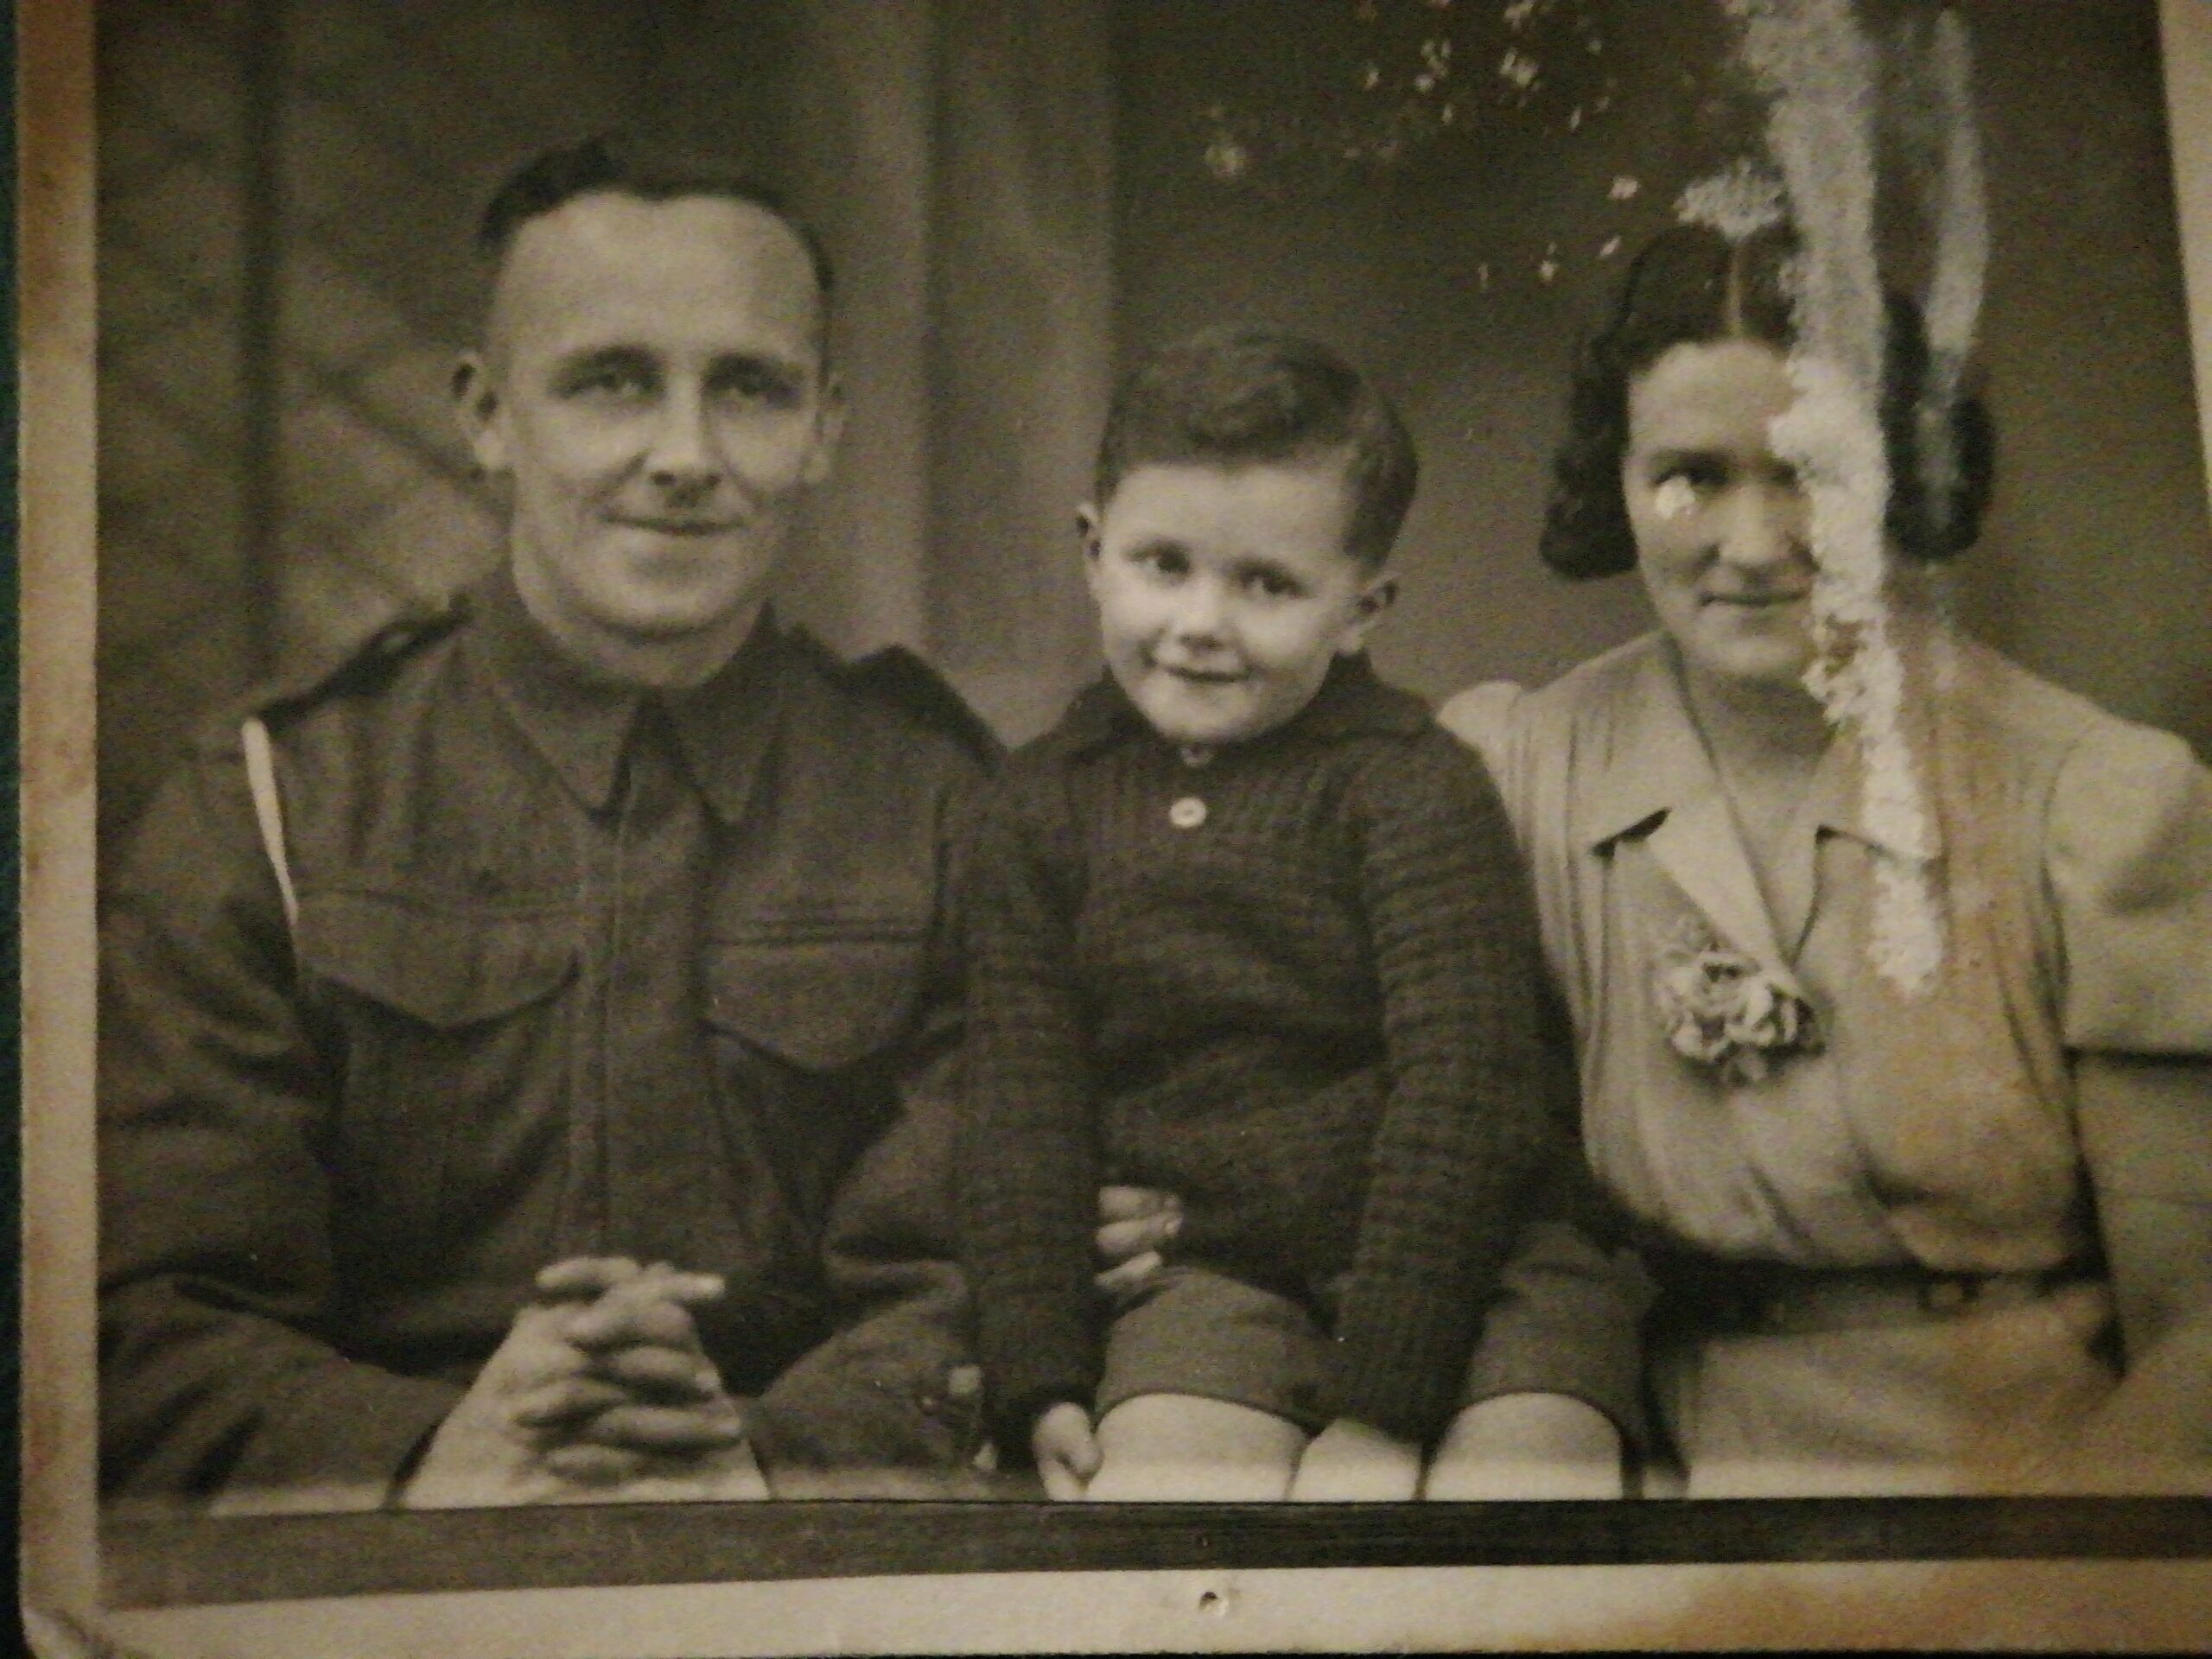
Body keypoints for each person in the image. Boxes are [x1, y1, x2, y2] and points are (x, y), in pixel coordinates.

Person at [97, 137, 1001, 1511]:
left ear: (824, 428)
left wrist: (770, 1462)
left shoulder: (942, 803)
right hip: (382, 1559)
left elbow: (986, 1268)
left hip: (812, 1544)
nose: (685, 457)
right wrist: (422, 1458)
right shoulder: (271, 799)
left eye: (749, 388)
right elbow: (148, 1309)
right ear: (487, 417)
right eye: (611, 382)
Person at [1436, 221, 2212, 1496]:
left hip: (2027, 1480)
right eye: (1689, 478)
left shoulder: (2092, 802)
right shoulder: (1520, 772)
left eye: (1814, 474)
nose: (1753, 544)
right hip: (1644, 1476)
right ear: (1616, 480)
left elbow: (2198, 1343)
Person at [957, 325, 1652, 1503]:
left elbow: (1467, 1096)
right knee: (1163, 1502)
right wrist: (1040, 1376)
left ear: (1362, 608)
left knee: (1529, 1486)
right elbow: (1023, 1105)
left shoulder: (1408, 786)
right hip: (1218, 1272)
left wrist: (1381, 1412)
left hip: (1481, 1257)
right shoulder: (1039, 806)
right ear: (1093, 552)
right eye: (1163, 564)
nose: (1201, 621)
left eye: (1267, 584)